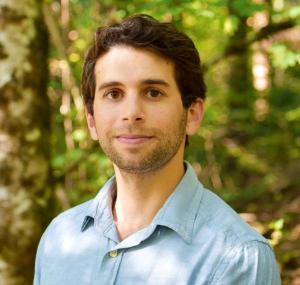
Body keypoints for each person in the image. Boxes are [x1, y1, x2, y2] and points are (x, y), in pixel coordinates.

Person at [34, 14, 281, 285]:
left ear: (193, 114)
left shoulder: (237, 256)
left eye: (153, 92)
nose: (131, 113)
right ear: (91, 121)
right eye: (114, 94)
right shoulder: (59, 239)